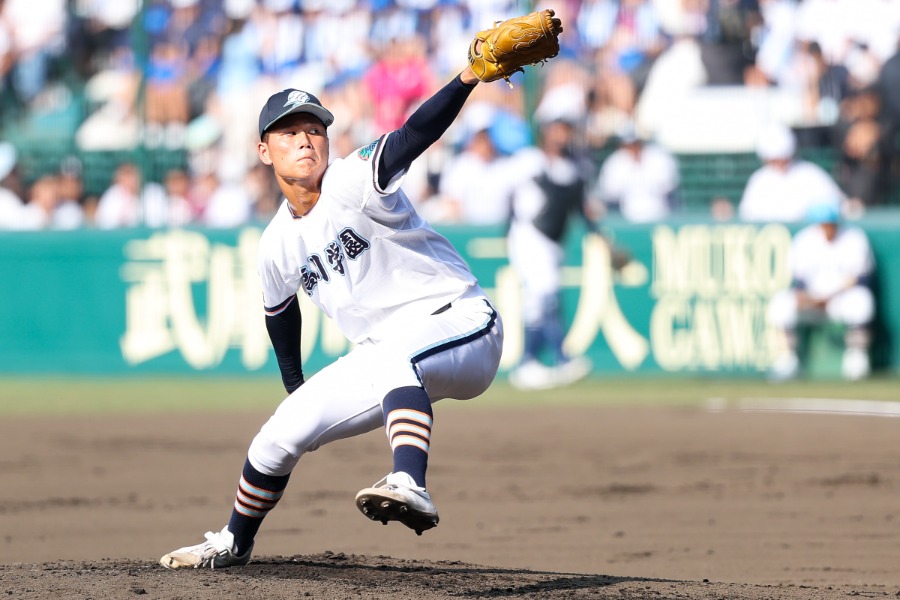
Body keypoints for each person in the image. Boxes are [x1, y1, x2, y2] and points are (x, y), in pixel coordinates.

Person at [159, 56, 506, 569]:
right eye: (289, 133)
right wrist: (297, 389)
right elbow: (280, 314)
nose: (305, 140)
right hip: (387, 356)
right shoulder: (276, 242)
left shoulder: (352, 179)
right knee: (280, 434)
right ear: (263, 150)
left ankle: (409, 482)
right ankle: (234, 541)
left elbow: (414, 134)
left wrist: (467, 79)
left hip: (462, 322)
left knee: (394, 356)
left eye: (315, 130)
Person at [506, 110, 594, 391]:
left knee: (537, 303)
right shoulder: (529, 159)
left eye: (566, 128)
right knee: (546, 295)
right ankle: (561, 357)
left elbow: (580, 208)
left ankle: (528, 362)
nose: (561, 134)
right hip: (528, 236)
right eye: (557, 128)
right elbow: (515, 197)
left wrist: (600, 236)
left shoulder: (574, 167)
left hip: (554, 241)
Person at [767, 202, 875, 382]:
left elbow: (861, 278)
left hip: (840, 300)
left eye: (830, 223)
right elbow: (799, 282)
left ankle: (857, 358)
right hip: (812, 302)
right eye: (823, 223)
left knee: (861, 300)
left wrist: (828, 297)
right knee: (781, 304)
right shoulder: (805, 240)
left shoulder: (853, 238)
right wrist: (806, 298)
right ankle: (788, 359)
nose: (827, 227)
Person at [738, 123, 846, 223]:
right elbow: (747, 216)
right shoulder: (758, 180)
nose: (779, 162)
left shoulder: (811, 174)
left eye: (782, 158)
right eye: (774, 160)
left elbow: (837, 205)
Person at [594, 126, 680, 222]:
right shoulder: (615, 162)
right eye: (627, 145)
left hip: (660, 213)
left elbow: (668, 184)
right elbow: (609, 191)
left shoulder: (658, 157)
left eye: (635, 144)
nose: (632, 148)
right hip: (627, 216)